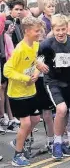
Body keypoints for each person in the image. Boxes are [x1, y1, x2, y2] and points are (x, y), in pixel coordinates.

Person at [37, 15, 70, 160]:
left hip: (68, 82)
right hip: (52, 82)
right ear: (53, 30)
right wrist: (39, 64)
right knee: (62, 109)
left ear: (67, 28)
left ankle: (61, 140)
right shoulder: (47, 44)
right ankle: (56, 144)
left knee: (64, 113)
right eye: (57, 30)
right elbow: (37, 60)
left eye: (63, 29)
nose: (60, 33)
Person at [4, 17, 42, 166]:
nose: (39, 33)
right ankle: (17, 156)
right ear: (26, 31)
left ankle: (17, 141)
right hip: (17, 93)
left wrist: (37, 73)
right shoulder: (19, 49)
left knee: (35, 120)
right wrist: (24, 78)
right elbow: (7, 70)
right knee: (25, 123)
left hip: (30, 90)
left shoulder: (35, 45)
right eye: (36, 31)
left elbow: (35, 61)